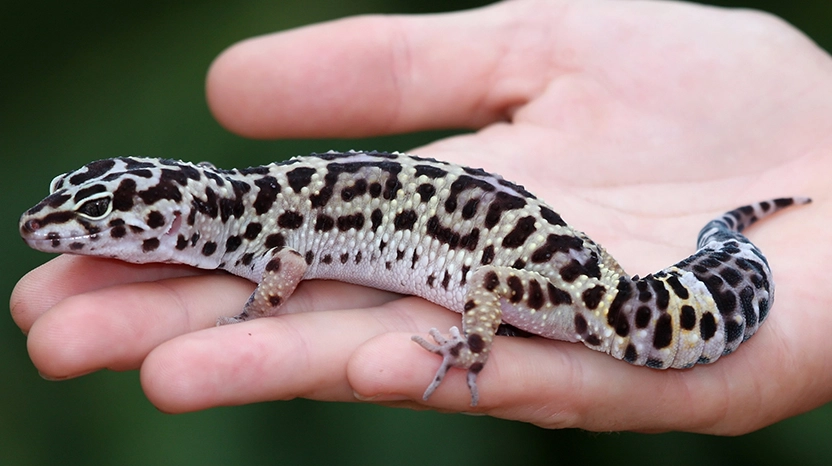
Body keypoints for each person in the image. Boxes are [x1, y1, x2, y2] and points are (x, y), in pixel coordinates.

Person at [11, 0, 831, 434]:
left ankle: (496, 329)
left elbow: (287, 272)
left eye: (99, 218)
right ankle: (721, 247)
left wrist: (255, 310)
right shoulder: (247, 217)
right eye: (95, 219)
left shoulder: (255, 234)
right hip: (539, 251)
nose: (68, 228)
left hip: (542, 285)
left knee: (523, 290)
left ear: (173, 214)